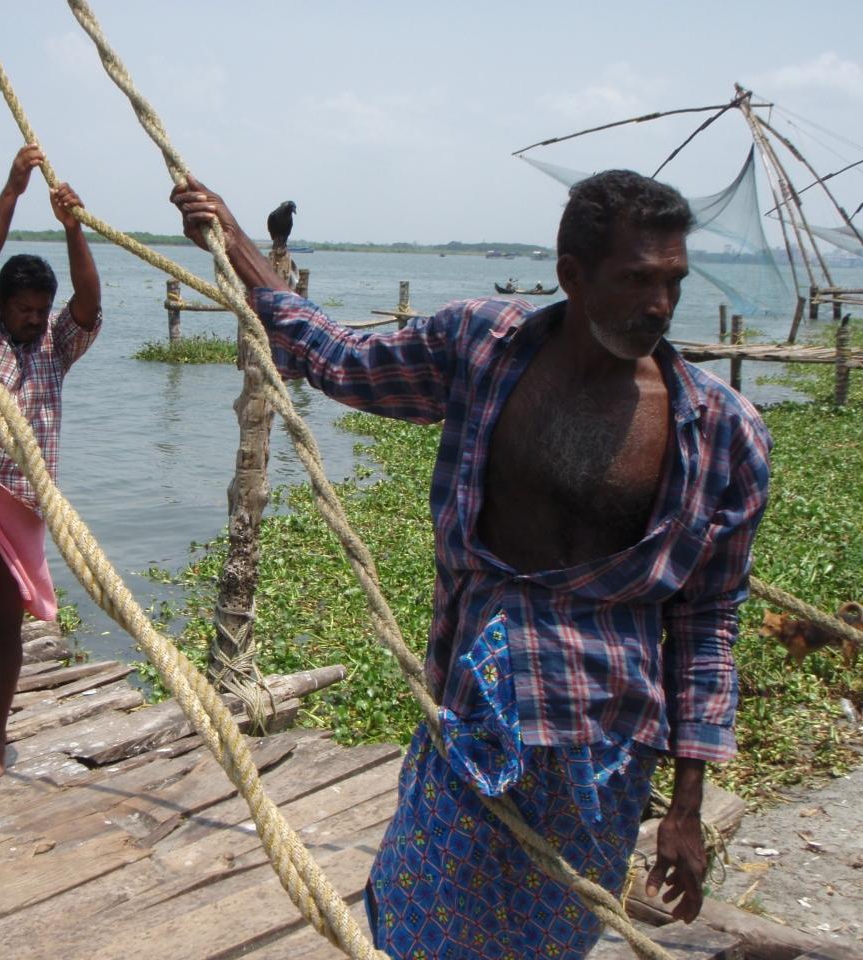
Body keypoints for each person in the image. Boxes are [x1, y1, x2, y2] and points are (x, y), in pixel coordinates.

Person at [172, 169, 770, 959]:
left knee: (549, 942)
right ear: (572, 275)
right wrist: (240, 246)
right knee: (418, 921)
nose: (660, 304)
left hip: (602, 755)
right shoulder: (483, 348)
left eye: (674, 281)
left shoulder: (721, 432)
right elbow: (343, 359)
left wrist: (686, 808)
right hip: (467, 719)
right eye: (636, 280)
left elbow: (707, 622)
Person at [0, 144, 101, 795]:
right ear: (2, 305)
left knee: (6, 621)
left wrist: (73, 228)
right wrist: (13, 189)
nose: (34, 319)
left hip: (21, 501)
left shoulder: (57, 346)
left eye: (40, 308)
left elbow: (88, 301)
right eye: (24, 308)